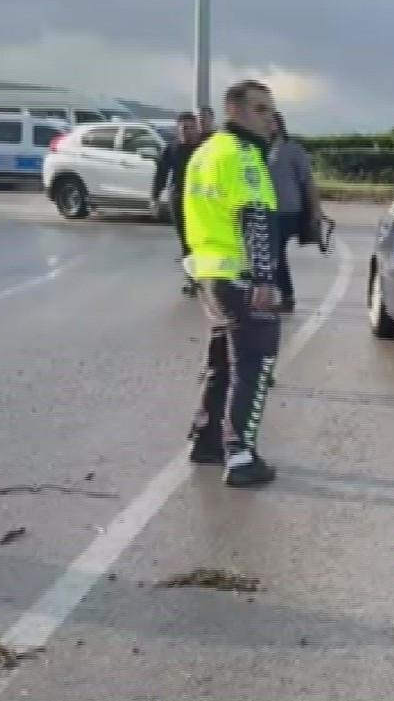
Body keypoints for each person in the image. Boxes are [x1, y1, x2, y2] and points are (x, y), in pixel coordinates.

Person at [183, 79, 282, 487]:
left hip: (209, 272)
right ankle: (240, 454)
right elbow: (255, 216)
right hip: (239, 275)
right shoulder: (242, 156)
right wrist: (264, 278)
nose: (270, 119)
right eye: (260, 110)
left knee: (222, 359)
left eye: (271, 110)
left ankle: (206, 439)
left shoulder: (204, 153)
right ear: (235, 112)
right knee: (255, 364)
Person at [268, 111, 321, 314]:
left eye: (271, 122)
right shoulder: (258, 148)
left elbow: (308, 181)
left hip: (287, 210)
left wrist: (315, 210)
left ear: (279, 125)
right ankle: (278, 294)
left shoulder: (292, 150)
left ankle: (286, 296)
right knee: (269, 253)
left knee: (275, 252)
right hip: (266, 209)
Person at [152, 111, 204, 295]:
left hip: (202, 200)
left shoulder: (204, 148)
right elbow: (161, 173)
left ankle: (206, 277)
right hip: (179, 198)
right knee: (186, 242)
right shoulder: (171, 148)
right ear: (177, 129)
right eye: (184, 128)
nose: (187, 132)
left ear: (197, 129)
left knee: (201, 241)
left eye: (191, 128)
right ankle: (191, 279)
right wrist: (155, 198)